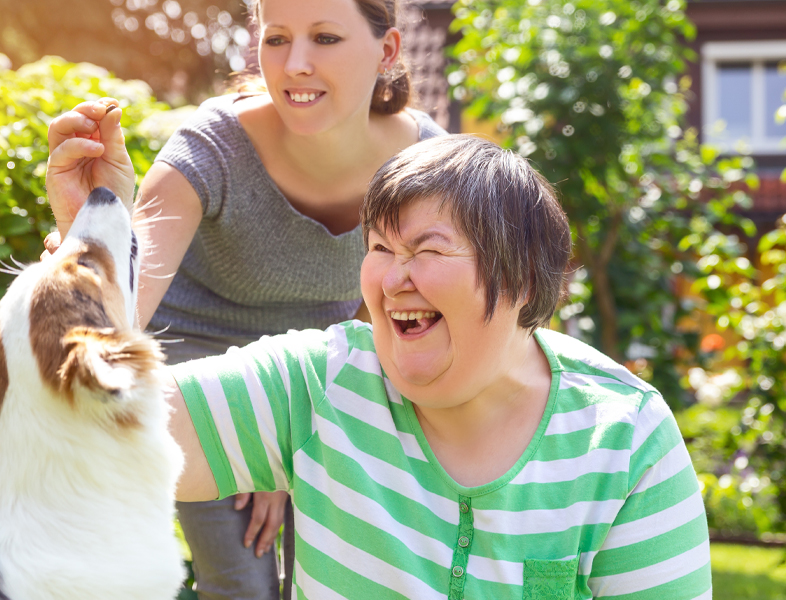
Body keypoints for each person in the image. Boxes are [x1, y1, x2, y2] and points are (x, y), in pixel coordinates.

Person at [167, 135, 713, 599]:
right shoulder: (321, 382)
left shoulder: (626, 439)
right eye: (380, 247)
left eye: (428, 250)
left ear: (521, 278)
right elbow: (110, 428)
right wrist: (89, 235)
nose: (392, 279)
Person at [42, 0, 447, 596]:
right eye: (277, 38)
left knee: (346, 577)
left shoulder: (426, 165)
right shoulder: (212, 146)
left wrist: (295, 423)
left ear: (386, 51)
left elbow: (396, 315)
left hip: (326, 373)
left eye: (326, 38)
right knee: (246, 584)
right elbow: (118, 317)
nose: (295, 64)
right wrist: (88, 227)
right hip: (193, 366)